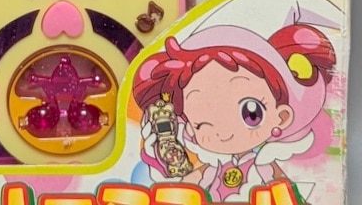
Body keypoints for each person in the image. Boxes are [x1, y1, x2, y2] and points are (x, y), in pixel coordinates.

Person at [133, 21, 336, 202]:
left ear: (281, 117)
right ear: (190, 129)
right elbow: (184, 189)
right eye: (202, 124)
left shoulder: (264, 168)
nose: (224, 132)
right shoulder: (210, 171)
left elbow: (287, 194)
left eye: (251, 114)